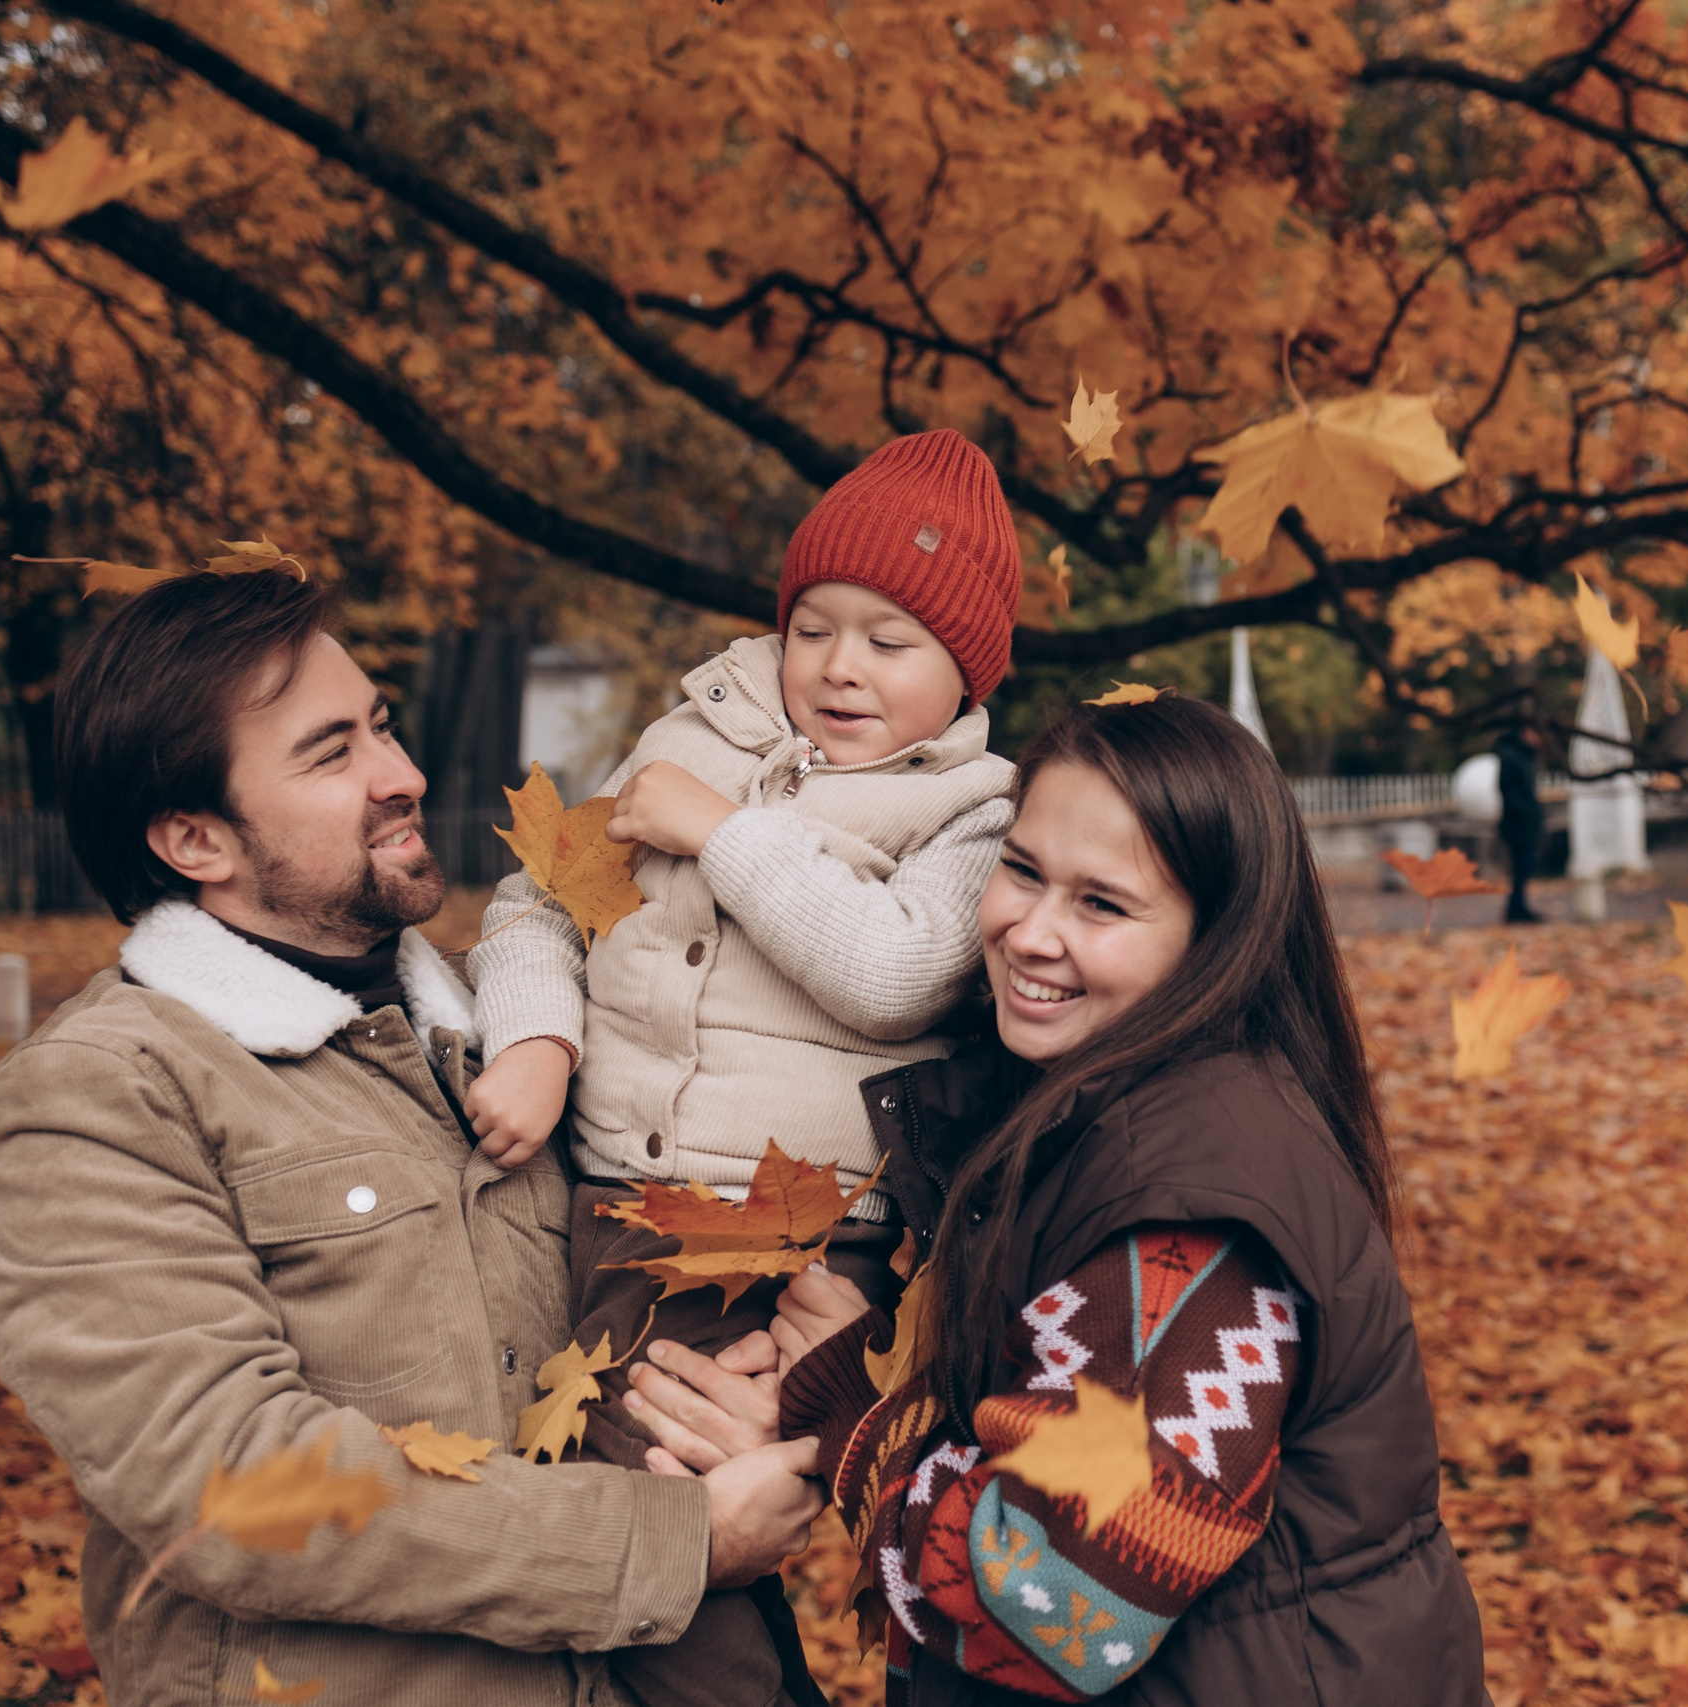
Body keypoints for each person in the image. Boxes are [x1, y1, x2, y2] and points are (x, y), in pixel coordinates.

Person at [0, 570, 823, 1705]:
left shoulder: (521, 1035)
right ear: (193, 839)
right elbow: (233, 1490)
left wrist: (762, 1384)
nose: (403, 775)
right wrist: (672, 1541)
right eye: (332, 754)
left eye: (382, 723)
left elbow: (653, 1279)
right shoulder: (104, 1093)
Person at [747, 693, 1490, 1704]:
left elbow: (1058, 1604)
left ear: (1213, 939)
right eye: (1021, 871)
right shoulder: (1086, 1106)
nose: (1029, 932)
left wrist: (856, 1424)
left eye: (1101, 904)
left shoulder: (1195, 1208)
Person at [459, 428, 1022, 1707]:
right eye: (813, 626)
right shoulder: (685, 735)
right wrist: (539, 1041)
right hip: (624, 1199)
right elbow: (538, 903)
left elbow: (897, 974)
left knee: (652, 1493)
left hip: (801, 1223)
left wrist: (724, 838)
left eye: (892, 642)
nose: (839, 666)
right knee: (639, 1493)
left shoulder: (974, 813)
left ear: (966, 668)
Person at [1494, 718, 1547, 923]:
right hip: (1518, 823)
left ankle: (1518, 907)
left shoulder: (1525, 756)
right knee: (1521, 866)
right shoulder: (1511, 756)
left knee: (1523, 867)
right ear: (1525, 732)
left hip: (1525, 821)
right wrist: (1527, 812)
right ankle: (1516, 909)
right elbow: (1509, 790)